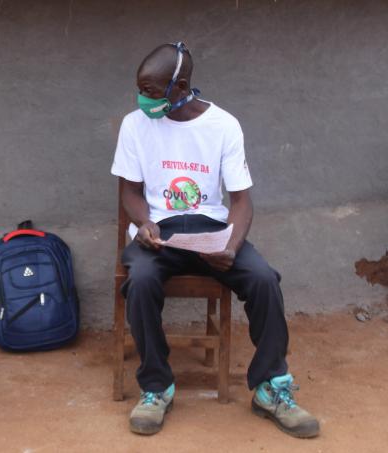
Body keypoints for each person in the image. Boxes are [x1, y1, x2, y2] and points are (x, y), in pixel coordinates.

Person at [111, 42, 319, 438]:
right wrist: (145, 223)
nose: (143, 99)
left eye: (152, 91)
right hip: (160, 233)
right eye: (140, 89)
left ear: (181, 85)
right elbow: (130, 192)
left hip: (211, 229)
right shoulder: (134, 124)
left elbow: (241, 200)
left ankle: (270, 388)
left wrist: (232, 246)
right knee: (140, 281)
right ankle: (156, 387)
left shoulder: (223, 125)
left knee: (263, 280)